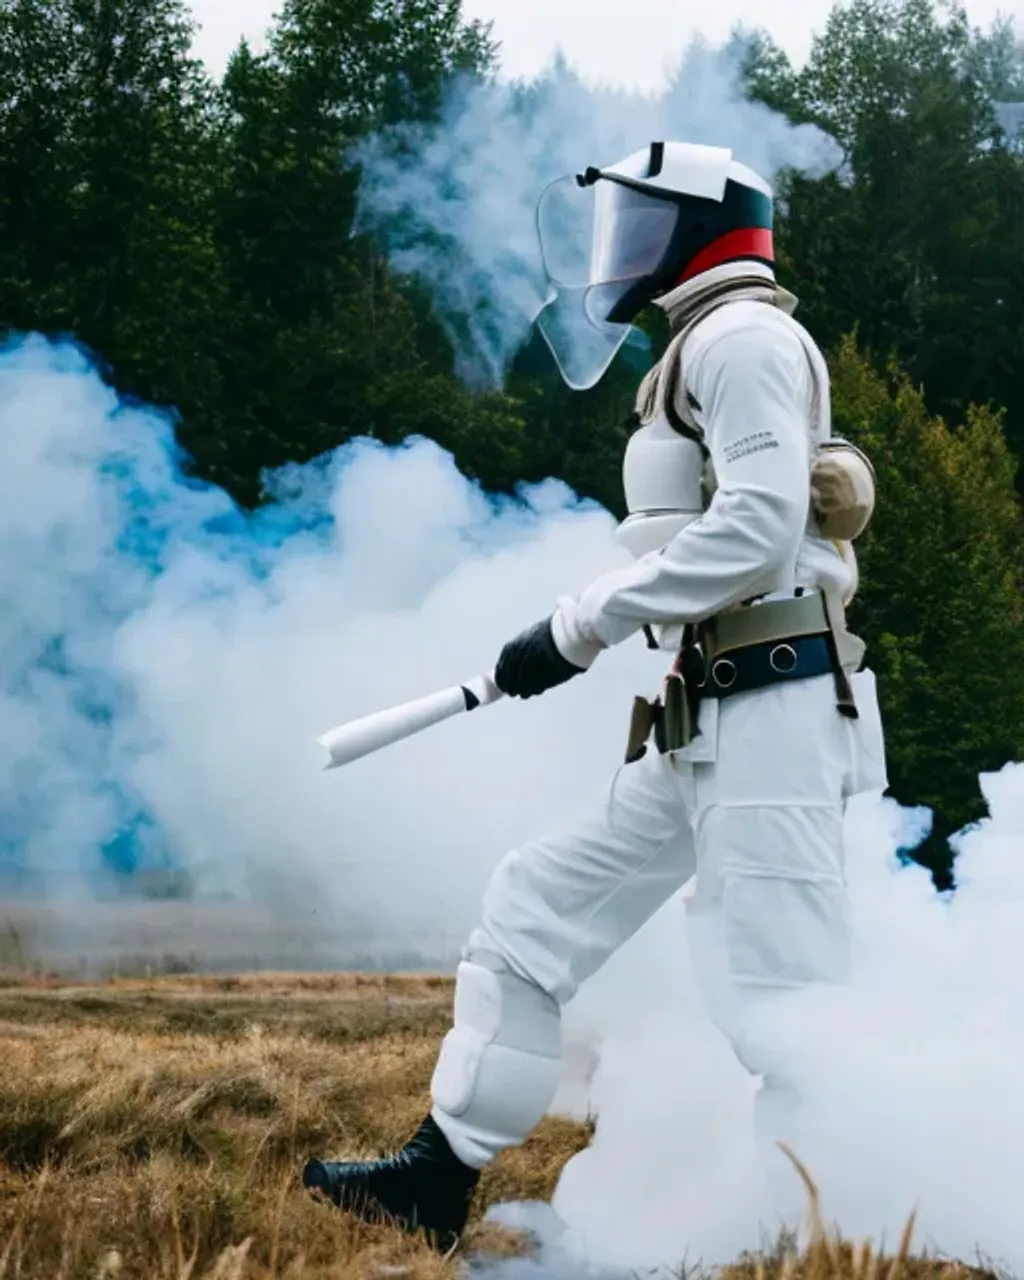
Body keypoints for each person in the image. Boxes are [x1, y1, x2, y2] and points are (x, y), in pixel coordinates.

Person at [301, 140, 888, 1252]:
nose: (615, 249)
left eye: (638, 221)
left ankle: (825, 1239)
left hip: (773, 709)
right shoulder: (700, 346)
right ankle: (436, 1171)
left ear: (702, 226)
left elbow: (759, 525)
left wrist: (582, 622)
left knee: (785, 996)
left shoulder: (746, 337)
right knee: (531, 908)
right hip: (708, 706)